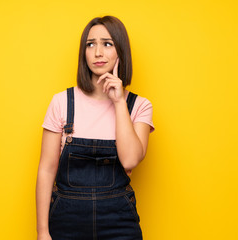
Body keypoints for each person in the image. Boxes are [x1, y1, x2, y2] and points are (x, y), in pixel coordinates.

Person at [36, 15, 154, 240]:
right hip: (66, 222)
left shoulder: (139, 106)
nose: (98, 52)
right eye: (91, 44)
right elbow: (46, 169)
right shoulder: (62, 102)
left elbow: (130, 160)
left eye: (107, 44)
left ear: (121, 51)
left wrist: (119, 102)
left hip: (119, 224)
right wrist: (42, 231)